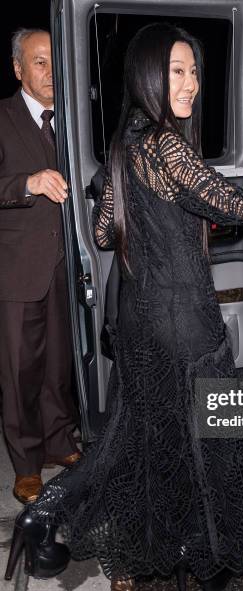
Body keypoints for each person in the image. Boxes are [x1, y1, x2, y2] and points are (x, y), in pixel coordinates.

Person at [5, 23, 243, 591]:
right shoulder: (167, 145)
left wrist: (111, 196)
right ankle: (211, 559)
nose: (192, 83)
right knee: (207, 445)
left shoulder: (127, 141)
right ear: (149, 73)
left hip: (141, 326)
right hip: (183, 324)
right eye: (177, 70)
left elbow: (102, 232)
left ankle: (46, 513)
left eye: (194, 70)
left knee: (140, 444)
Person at [0, 28, 80, 505]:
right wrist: (26, 183)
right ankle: (26, 463)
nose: (50, 73)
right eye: (39, 62)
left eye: (55, 62)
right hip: (17, 268)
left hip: (66, 266)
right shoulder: (2, 118)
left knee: (59, 365)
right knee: (19, 371)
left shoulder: (73, 121)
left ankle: (58, 440)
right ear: (18, 69)